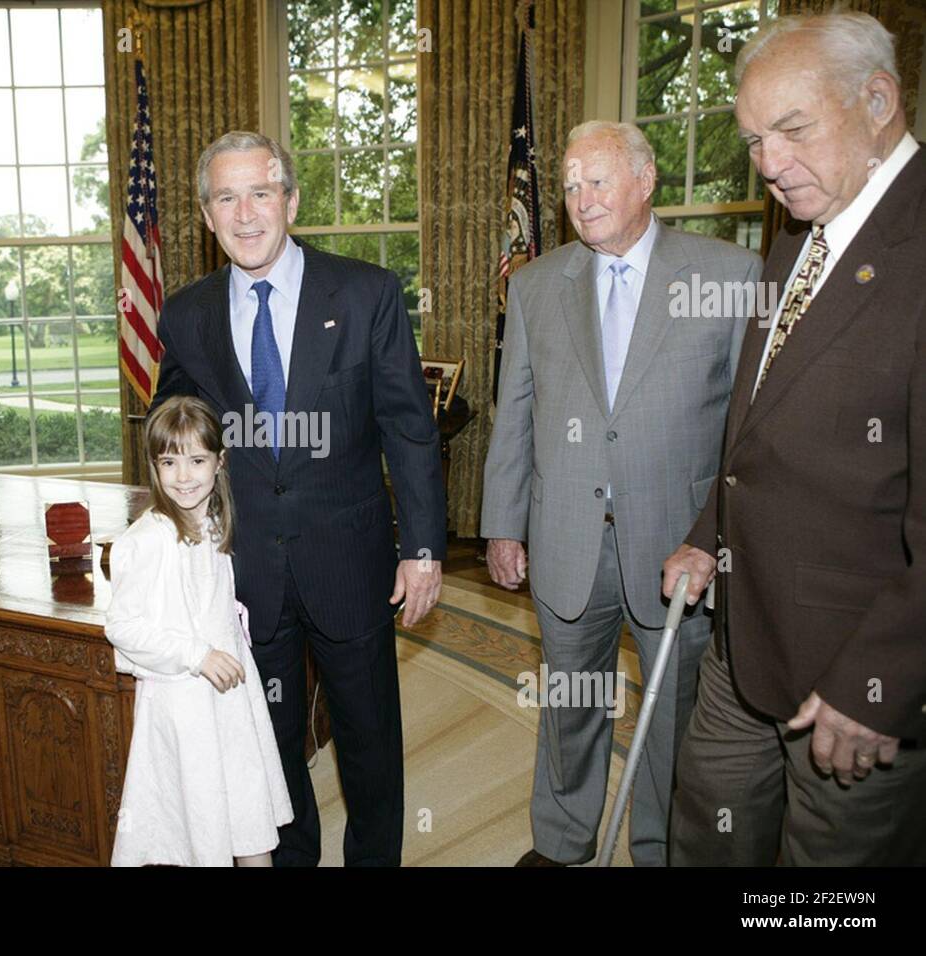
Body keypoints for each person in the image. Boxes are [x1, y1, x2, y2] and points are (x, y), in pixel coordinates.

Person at [662, 10, 926, 865]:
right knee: (708, 836)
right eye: (752, 140)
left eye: (792, 129)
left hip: (855, 679)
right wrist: (708, 537)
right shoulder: (795, 243)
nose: (770, 165)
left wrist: (876, 682)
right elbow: (759, 427)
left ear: (878, 99)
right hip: (744, 642)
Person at [151, 131, 446, 866]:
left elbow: (409, 429)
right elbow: (174, 438)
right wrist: (173, 540)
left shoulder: (366, 293)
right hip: (247, 570)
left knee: (369, 739)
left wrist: (423, 549)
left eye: (260, 192)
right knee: (269, 737)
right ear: (205, 213)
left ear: (290, 199)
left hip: (352, 561)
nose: (245, 213)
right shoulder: (186, 314)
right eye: (226, 197)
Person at [482, 121, 762, 866]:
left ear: (646, 181)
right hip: (566, 534)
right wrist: (502, 526)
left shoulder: (729, 277)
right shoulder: (538, 285)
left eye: (596, 180)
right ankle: (563, 843)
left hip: (682, 543)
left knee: (674, 713)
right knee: (569, 703)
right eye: (570, 184)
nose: (579, 198)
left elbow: (750, 431)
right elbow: (517, 413)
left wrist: (716, 534)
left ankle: (657, 846)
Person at [105, 396, 293, 867]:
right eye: (169, 462)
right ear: (154, 466)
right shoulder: (146, 540)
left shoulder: (214, 523)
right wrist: (197, 654)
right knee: (201, 827)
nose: (183, 476)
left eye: (196, 460)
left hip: (230, 698)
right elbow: (123, 627)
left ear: (219, 462)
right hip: (185, 704)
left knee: (249, 819)